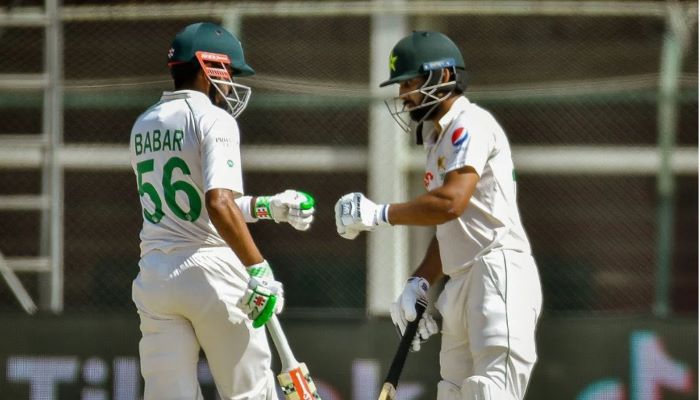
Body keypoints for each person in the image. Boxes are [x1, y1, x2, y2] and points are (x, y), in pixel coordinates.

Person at [334, 31, 542, 400]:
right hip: (462, 279)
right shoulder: (437, 138)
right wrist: (421, 282)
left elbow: (451, 203)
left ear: (443, 77)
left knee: (490, 394)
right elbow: (452, 225)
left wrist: (379, 213)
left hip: (497, 272)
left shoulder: (469, 124)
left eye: (411, 83)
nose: (403, 96)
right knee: (452, 393)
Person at [129, 22, 315, 400]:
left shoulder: (143, 123)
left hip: (155, 276)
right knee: (250, 394)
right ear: (207, 66)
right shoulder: (215, 118)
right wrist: (258, 268)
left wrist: (269, 207)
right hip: (211, 269)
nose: (230, 85)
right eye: (228, 72)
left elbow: (197, 205)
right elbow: (217, 204)